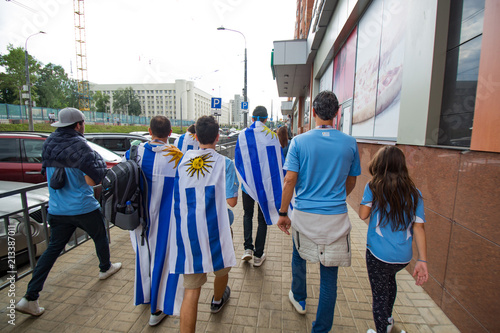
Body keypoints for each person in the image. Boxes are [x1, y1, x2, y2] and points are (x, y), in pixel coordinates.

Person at [15, 107, 121, 317]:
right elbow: (94, 179)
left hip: (56, 209)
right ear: (78, 125)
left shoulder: (49, 144)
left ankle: (29, 297)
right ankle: (105, 267)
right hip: (83, 206)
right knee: (100, 235)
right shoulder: (81, 147)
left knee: (52, 250)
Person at [277, 91, 361, 333]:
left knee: (298, 256)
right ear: (336, 114)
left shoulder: (299, 142)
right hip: (336, 218)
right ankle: (321, 329)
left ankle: (300, 298)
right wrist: (335, 198)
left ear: (313, 112)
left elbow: (289, 180)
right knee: (329, 277)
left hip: (304, 216)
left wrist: (283, 212)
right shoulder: (350, 143)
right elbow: (352, 181)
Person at [168, 115, 238, 333]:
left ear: (195, 137)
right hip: (217, 231)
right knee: (221, 270)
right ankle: (218, 299)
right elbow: (232, 202)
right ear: (218, 137)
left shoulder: (180, 161)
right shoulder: (226, 164)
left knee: (192, 291)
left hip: (189, 233)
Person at [123, 116, 185, 326]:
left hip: (138, 217)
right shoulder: (178, 158)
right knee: (162, 261)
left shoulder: (133, 152)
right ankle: (156, 310)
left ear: (149, 131)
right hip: (166, 222)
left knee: (143, 256)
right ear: (170, 133)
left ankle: (145, 296)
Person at [359, 146, 428, 333]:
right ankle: (388, 323)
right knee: (390, 283)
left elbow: (362, 215)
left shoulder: (373, 186)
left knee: (379, 296)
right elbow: (419, 227)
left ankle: (382, 329)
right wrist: (422, 259)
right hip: (403, 257)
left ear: (379, 165)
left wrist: (370, 199)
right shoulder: (415, 193)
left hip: (378, 254)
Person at [235, 106, 286, 267]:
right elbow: (278, 163)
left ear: (252, 118)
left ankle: (247, 249)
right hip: (266, 186)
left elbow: (238, 159)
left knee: (247, 215)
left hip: (248, 186)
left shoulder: (242, 135)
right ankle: (258, 255)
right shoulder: (272, 136)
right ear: (265, 119)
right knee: (263, 217)